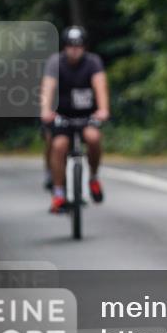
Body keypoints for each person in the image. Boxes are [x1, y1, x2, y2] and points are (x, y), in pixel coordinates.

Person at [39, 26, 110, 213]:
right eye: (71, 46)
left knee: (94, 138)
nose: (75, 49)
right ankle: (59, 192)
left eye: (78, 46)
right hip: (62, 116)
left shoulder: (93, 62)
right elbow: (48, 87)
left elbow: (100, 86)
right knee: (59, 146)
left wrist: (103, 109)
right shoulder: (56, 63)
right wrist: (46, 109)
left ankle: (93, 177)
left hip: (87, 115)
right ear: (65, 47)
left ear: (84, 47)